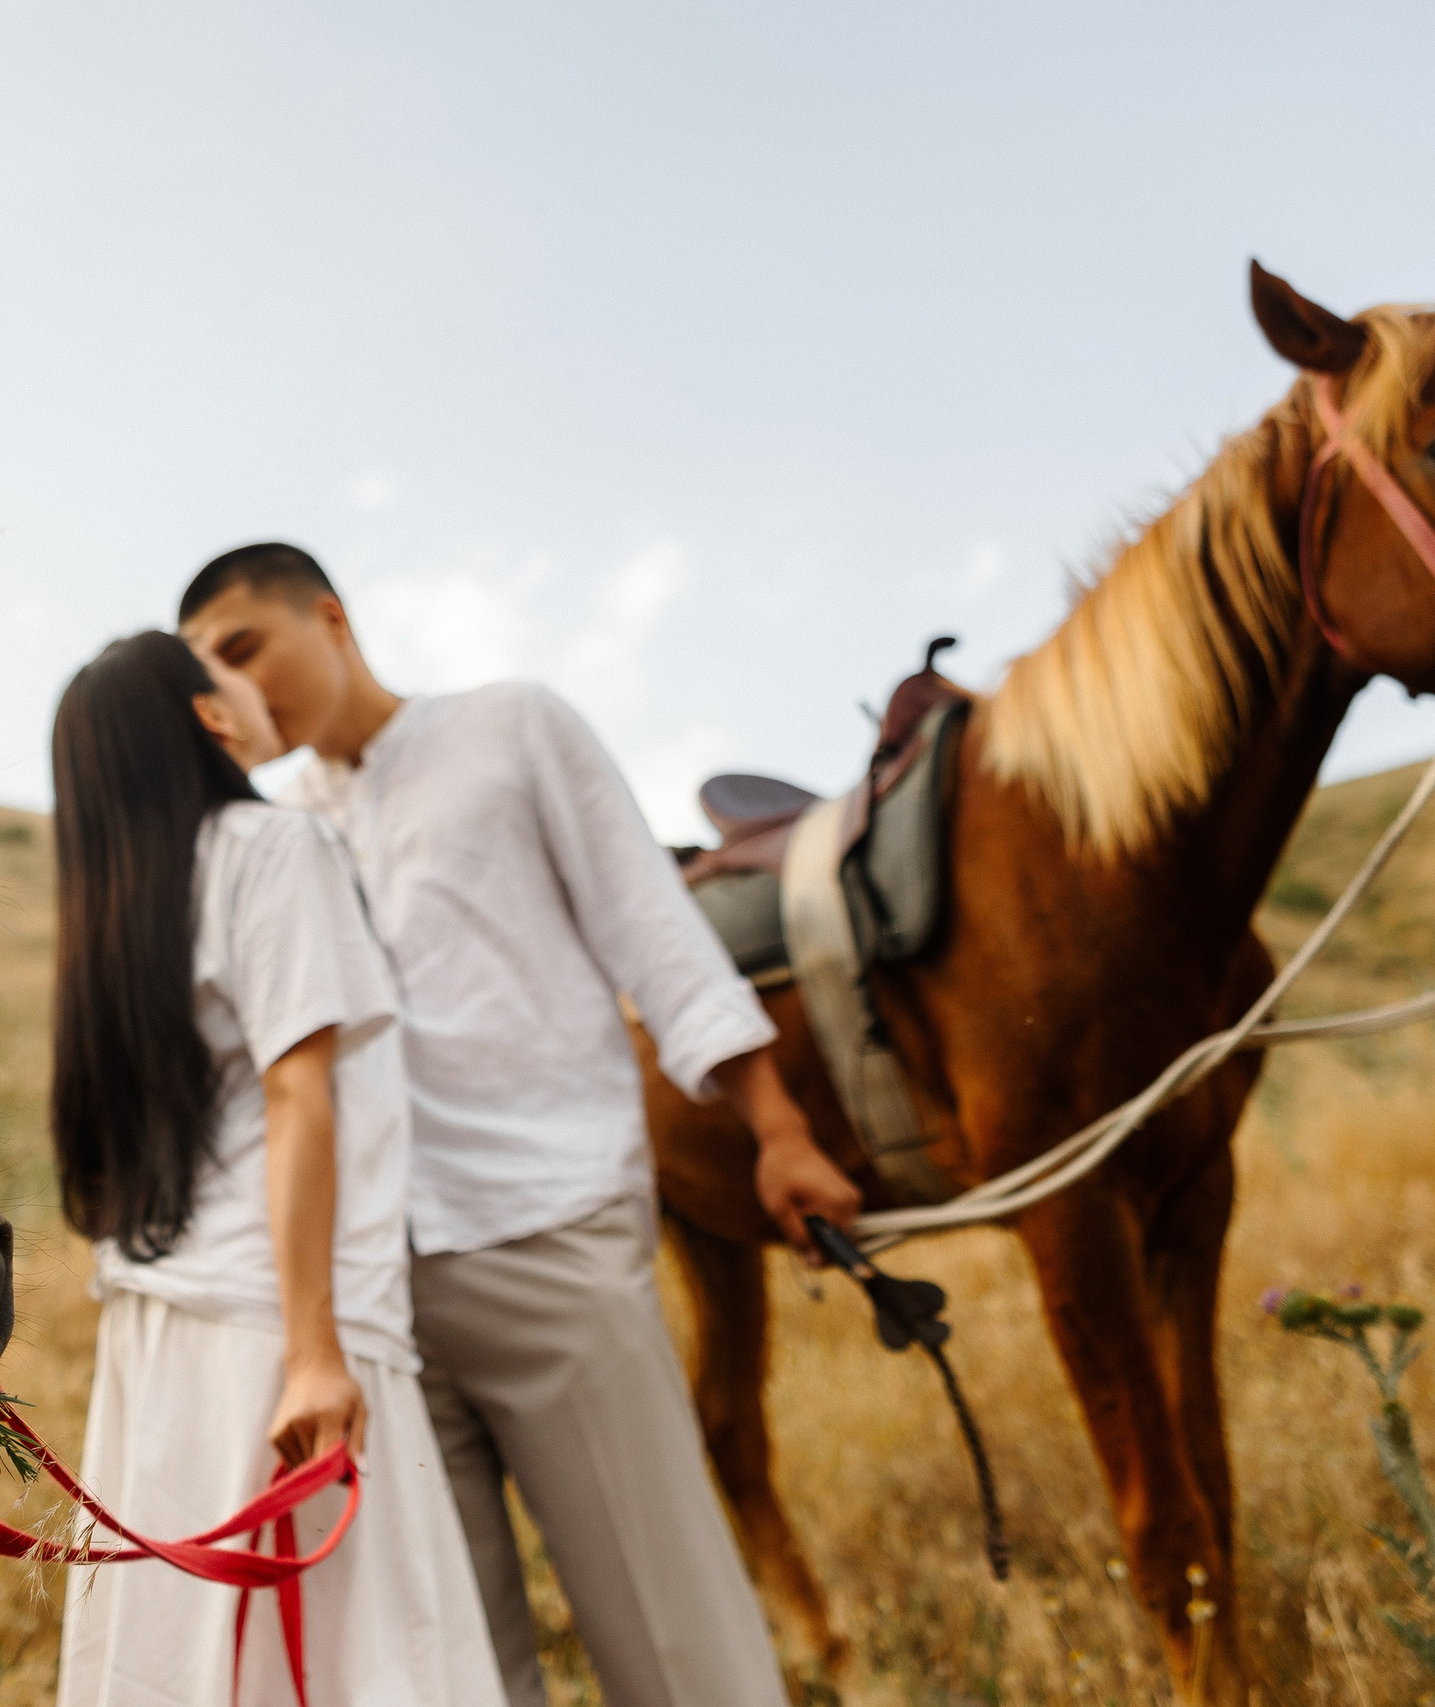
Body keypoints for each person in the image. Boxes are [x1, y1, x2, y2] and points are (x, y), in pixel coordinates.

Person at [180, 545, 865, 1707]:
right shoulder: (272, 829)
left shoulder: (511, 728)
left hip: (549, 1234)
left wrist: (778, 1130)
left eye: (246, 648)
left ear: (331, 618)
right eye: (204, 675)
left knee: (676, 1634)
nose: (235, 689)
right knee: (453, 1661)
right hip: (373, 1294)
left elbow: (658, 936)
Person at [48, 631, 507, 1707]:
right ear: (211, 718)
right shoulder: (271, 847)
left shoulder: (116, 917)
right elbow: (304, 1098)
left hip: (162, 1323)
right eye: (226, 672)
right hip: (281, 1320)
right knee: (367, 1656)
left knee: (184, 1652)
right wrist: (315, 1349)